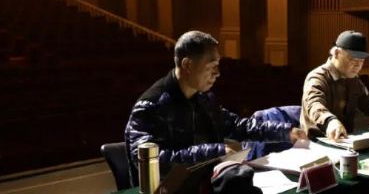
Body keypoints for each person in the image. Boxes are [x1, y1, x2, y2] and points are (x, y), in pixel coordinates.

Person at [125, 30, 305, 180]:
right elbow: (153, 162)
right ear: (187, 65)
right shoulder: (151, 105)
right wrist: (215, 152)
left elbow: (237, 125)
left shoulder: (203, 98)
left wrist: (285, 132)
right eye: (212, 66)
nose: (218, 73)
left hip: (204, 183)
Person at [301, 30, 369, 140]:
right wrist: (330, 121)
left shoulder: (352, 78)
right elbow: (314, 104)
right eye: (353, 59)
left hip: (344, 140)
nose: (358, 65)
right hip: (316, 142)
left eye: (362, 60)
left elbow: (368, 102)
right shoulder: (317, 77)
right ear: (337, 53)